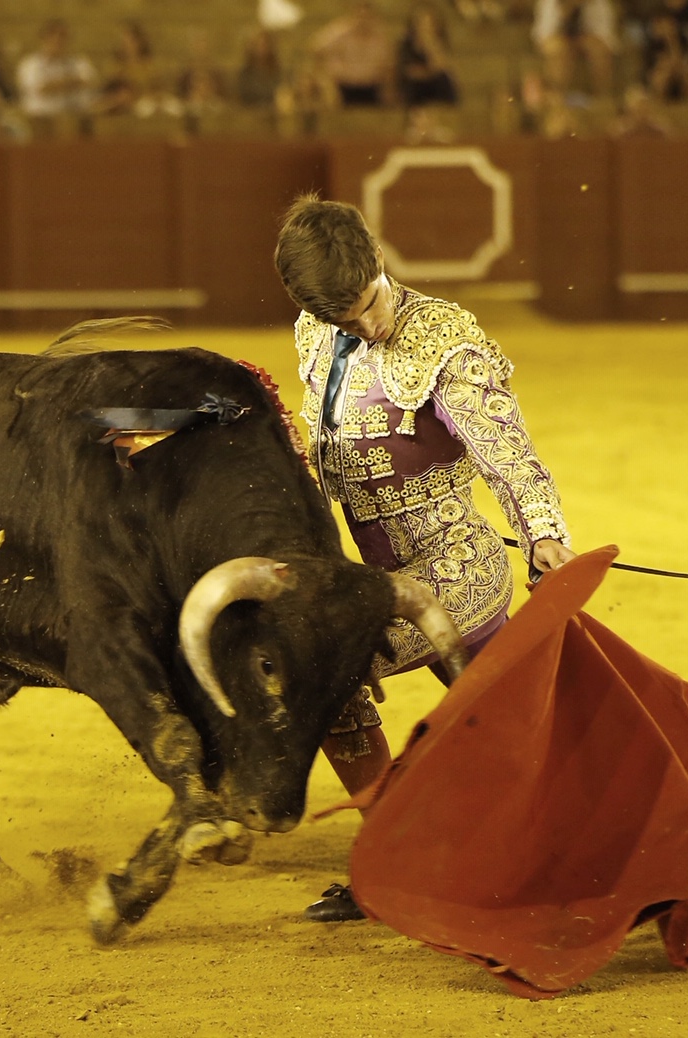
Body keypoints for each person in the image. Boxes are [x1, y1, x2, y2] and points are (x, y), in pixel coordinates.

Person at [273, 194, 575, 922]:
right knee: (503, 725)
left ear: (379, 261)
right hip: (375, 579)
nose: (367, 327)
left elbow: (506, 451)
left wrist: (543, 532)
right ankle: (392, 857)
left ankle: (539, 850)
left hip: (454, 569)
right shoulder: (316, 332)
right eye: (347, 322)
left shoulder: (444, 338)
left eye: (369, 306)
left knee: (508, 731)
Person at [309, 0, 395, 106]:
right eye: (360, 16)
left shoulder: (380, 37)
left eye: (366, 16)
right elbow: (316, 47)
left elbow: (387, 63)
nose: (363, 20)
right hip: (343, 87)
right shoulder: (340, 32)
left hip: (372, 87)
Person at [531, 0, 618, 96]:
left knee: (598, 50)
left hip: (588, 38)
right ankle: (557, 95)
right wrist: (567, 10)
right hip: (557, 38)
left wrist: (583, 39)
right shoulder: (550, 3)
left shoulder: (598, 3)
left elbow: (605, 35)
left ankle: (601, 96)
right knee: (558, 50)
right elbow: (544, 34)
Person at [16, 18, 98, 120]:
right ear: (43, 39)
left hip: (72, 117)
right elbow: (41, 89)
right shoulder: (30, 64)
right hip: (39, 118)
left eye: (62, 37)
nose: (57, 41)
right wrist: (71, 83)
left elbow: (91, 83)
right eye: (53, 37)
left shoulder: (79, 63)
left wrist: (59, 85)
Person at [396, 2, 460, 108]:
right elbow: (411, 73)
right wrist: (430, 72)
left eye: (429, 23)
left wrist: (430, 44)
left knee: (443, 79)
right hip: (416, 90)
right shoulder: (407, 46)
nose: (425, 27)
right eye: (422, 22)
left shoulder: (440, 44)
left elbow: (443, 67)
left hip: (436, 87)